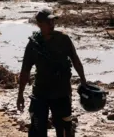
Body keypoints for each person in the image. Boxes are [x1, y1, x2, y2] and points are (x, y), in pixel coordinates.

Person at [17, 8, 87, 137]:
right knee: (37, 128)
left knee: (64, 128)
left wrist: (84, 82)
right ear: (39, 24)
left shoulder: (63, 39)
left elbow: (76, 60)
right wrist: (20, 94)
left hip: (61, 91)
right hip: (40, 92)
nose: (51, 25)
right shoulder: (34, 44)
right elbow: (25, 71)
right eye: (48, 22)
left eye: (52, 22)